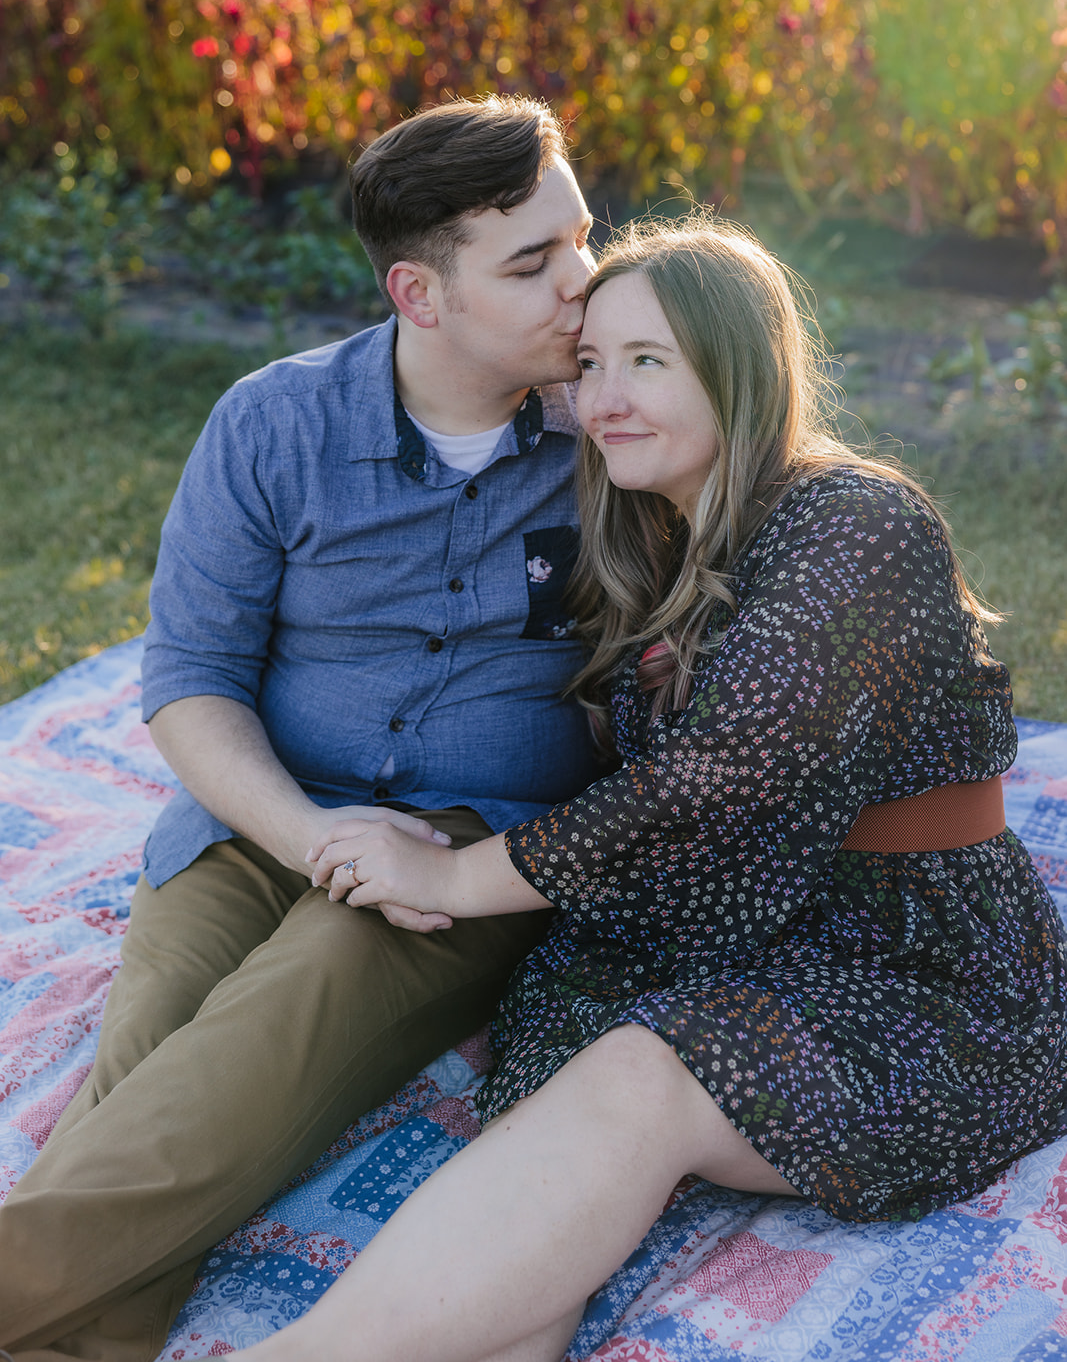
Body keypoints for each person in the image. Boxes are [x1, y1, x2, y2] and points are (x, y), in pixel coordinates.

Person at [213, 213, 1067, 1362]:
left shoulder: (857, 522)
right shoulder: (651, 545)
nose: (604, 395)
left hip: (908, 963)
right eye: (590, 363)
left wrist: (459, 875)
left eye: (647, 361)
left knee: (635, 1076)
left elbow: (723, 779)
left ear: (740, 367)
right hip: (715, 929)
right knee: (551, 1131)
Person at [0, 95, 605, 1362]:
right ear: (418, 293)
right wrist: (311, 834)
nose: (582, 285)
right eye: (534, 260)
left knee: (275, 1028)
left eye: (582, 240)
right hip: (253, 816)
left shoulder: (614, 433)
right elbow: (190, 676)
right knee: (157, 1056)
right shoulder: (272, 425)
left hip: (462, 852)